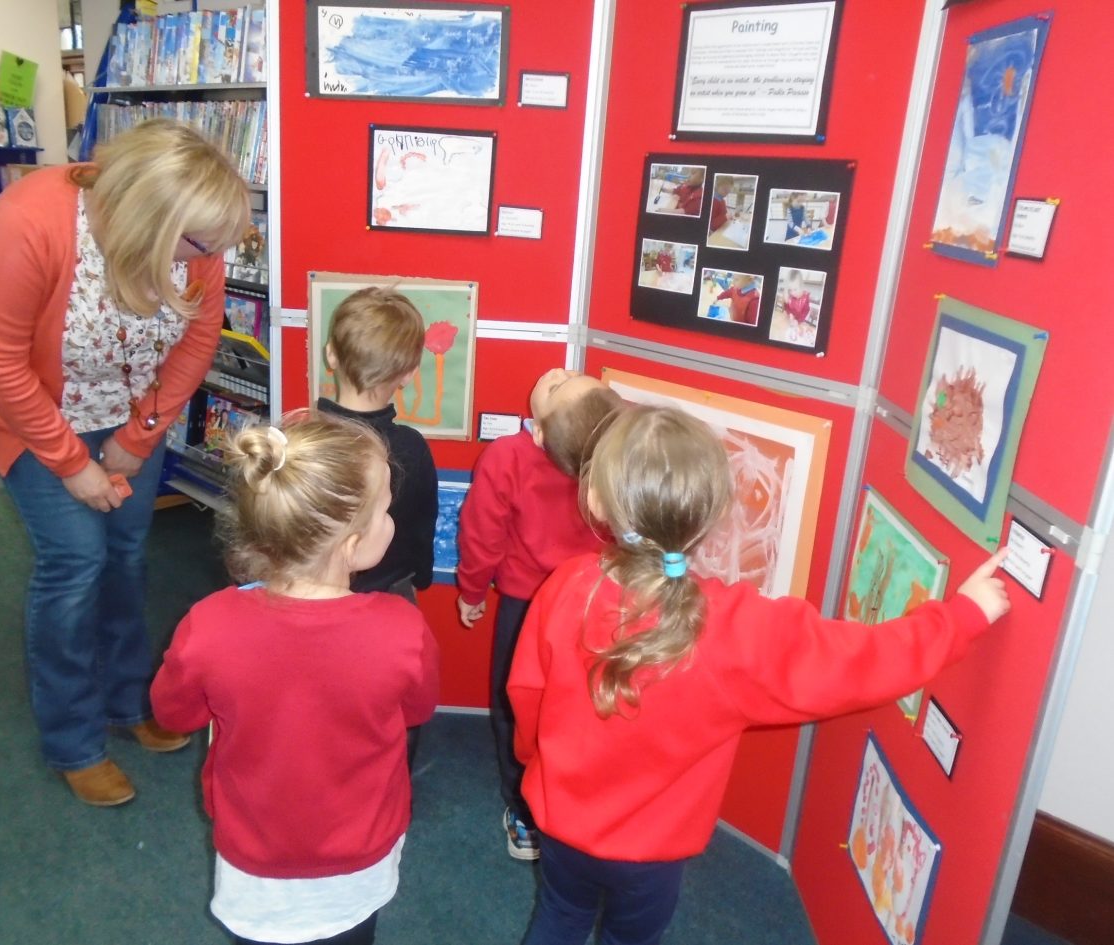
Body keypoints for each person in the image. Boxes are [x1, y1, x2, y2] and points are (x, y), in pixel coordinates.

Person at [507, 405, 1011, 945]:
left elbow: (527, 694)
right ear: (713, 515)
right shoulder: (737, 629)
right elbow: (862, 660)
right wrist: (964, 616)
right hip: (649, 856)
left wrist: (535, 762)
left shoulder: (566, 587)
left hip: (560, 824)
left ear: (595, 499)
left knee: (560, 916)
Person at [0, 119, 252, 806]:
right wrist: (70, 462)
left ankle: (129, 701)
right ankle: (73, 739)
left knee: (125, 554)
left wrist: (141, 433)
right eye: (200, 245)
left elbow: (197, 340)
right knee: (75, 561)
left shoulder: (198, 240)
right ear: (152, 220)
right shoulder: (29, 223)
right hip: (34, 414)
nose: (210, 259)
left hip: (128, 413)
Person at [150, 414, 439, 945]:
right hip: (360, 855)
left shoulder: (208, 625)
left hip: (254, 858)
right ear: (351, 545)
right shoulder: (402, 629)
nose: (391, 521)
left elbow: (173, 714)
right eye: (384, 511)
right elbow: (416, 710)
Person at [456, 368, 622, 860]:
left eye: (561, 385)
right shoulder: (618, 461)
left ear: (541, 432)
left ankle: (525, 812)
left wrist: (471, 590)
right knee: (583, 704)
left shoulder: (508, 455)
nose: (561, 370)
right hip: (595, 606)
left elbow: (482, 531)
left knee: (514, 704)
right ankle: (575, 804)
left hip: (526, 606)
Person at [317, 287, 437, 602]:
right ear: (408, 375)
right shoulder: (411, 448)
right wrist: (421, 576)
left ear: (330, 354)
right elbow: (421, 527)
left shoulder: (302, 438)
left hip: (309, 595)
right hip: (389, 594)